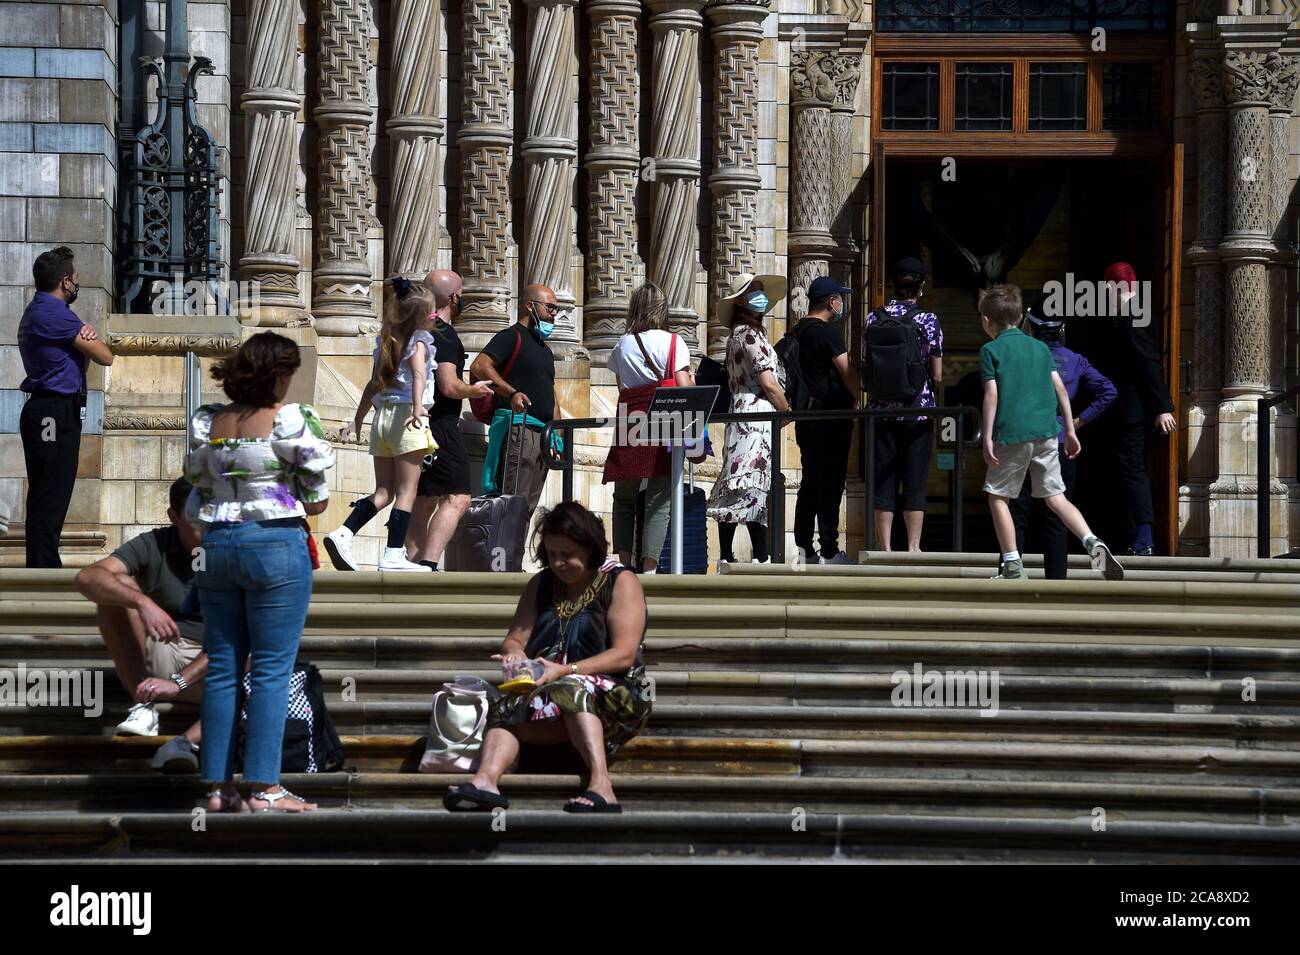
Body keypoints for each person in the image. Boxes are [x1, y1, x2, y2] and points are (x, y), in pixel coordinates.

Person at [186, 331, 335, 812]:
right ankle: (264, 788)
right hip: (274, 544)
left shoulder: (209, 422)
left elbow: (195, 493)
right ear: (279, 375)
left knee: (225, 666)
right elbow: (316, 500)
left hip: (217, 545)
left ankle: (217, 787)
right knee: (271, 669)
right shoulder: (288, 420)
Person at [443, 502, 651, 813]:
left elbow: (623, 656)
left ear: (589, 549)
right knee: (507, 705)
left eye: (567, 554)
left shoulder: (621, 582)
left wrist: (565, 670)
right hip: (550, 693)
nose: (558, 563)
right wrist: (514, 655)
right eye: (552, 554)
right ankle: (484, 781)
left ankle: (602, 786)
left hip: (615, 694)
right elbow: (515, 638)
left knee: (570, 688)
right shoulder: (541, 584)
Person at [978, 284, 1123, 582]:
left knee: (998, 497)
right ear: (1021, 319)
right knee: (1056, 498)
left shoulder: (990, 350)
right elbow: (1060, 389)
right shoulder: (1041, 348)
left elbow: (991, 395)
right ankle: (1092, 542)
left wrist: (988, 437)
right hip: (1047, 434)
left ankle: (1012, 565)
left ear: (986, 320)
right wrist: (1070, 430)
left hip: (1012, 434)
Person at [74, 477, 208, 773]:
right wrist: (142, 602)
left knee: (259, 665)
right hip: (164, 650)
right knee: (117, 586)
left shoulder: (233, 549)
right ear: (173, 516)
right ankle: (144, 705)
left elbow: (241, 639)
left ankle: (188, 743)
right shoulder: (156, 543)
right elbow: (87, 578)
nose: (204, 523)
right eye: (193, 515)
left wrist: (180, 682)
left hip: (216, 663)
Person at [324, 277, 437, 572]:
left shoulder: (385, 344)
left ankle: (344, 533)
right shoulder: (419, 343)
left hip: (383, 417)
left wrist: (358, 420)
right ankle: (393, 554)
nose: (435, 317)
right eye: (432, 313)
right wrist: (417, 408)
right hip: (407, 418)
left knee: (384, 490)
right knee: (407, 491)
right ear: (421, 317)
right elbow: (420, 375)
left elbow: (373, 385)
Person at [17, 246, 114, 567]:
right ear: (64, 282)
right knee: (51, 493)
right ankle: (43, 569)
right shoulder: (54, 313)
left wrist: (84, 340)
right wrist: (88, 338)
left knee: (50, 491)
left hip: (53, 410)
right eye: (75, 278)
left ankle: (43, 564)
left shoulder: (42, 310)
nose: (77, 284)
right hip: (52, 412)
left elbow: (83, 357)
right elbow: (105, 355)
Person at [1008, 306, 1116, 580]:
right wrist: (1078, 422)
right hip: (1058, 438)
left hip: (1023, 437)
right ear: (1062, 330)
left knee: (1017, 513)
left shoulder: (1023, 357)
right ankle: (1057, 580)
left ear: (1030, 328)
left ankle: (1010, 572)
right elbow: (1108, 390)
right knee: (1057, 513)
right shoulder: (1075, 360)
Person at [403, 269, 494, 570]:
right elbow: (448, 386)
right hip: (440, 424)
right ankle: (428, 563)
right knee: (458, 497)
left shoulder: (413, 328)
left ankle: (410, 562)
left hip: (411, 422)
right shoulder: (444, 334)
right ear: (455, 297)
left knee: (424, 498)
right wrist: (476, 390)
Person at [603, 282, 694, 572]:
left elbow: (622, 387)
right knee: (659, 497)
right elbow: (683, 385)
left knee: (624, 495)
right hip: (664, 418)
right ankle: (650, 568)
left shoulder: (622, 344)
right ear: (661, 309)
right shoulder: (673, 342)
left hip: (630, 417)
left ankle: (624, 562)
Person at [1091, 262, 1176, 556]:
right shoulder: (1131, 314)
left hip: (1133, 410)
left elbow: (1147, 362)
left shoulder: (1131, 317)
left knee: (1132, 468)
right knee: (1128, 467)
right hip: (1128, 408)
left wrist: (1162, 407)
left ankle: (1143, 537)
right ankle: (1132, 533)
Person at [706, 273, 790, 566]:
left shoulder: (738, 334)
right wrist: (786, 409)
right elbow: (768, 382)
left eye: (760, 291)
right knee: (750, 480)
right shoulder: (749, 334)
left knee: (739, 479)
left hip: (742, 409)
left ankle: (729, 554)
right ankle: (758, 556)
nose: (760, 296)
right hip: (755, 411)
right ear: (740, 300)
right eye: (753, 291)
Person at [864, 257, 943, 552]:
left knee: (883, 478)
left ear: (893, 284)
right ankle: (913, 547)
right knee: (914, 477)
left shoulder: (874, 317)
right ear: (920, 286)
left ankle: (884, 547)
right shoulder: (927, 319)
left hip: (881, 411)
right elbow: (936, 371)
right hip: (917, 411)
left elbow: (867, 364)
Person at [469, 284, 564, 520]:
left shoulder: (545, 350)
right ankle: (500, 556)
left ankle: (513, 557)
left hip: (542, 436)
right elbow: (479, 366)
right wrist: (511, 393)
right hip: (519, 431)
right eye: (550, 307)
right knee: (511, 504)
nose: (554, 314)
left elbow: (550, 393)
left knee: (526, 510)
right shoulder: (511, 336)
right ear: (530, 305)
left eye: (556, 309)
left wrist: (557, 435)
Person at [791, 276, 859, 565]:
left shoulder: (797, 331)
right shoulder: (827, 333)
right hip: (831, 416)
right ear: (832, 301)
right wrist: (859, 397)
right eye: (839, 298)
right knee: (831, 482)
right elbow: (847, 372)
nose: (841, 303)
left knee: (810, 481)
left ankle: (804, 548)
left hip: (806, 417)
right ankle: (829, 549)